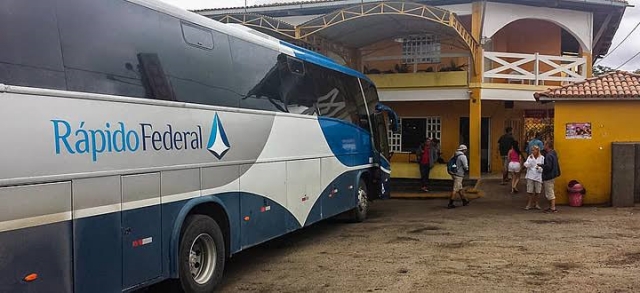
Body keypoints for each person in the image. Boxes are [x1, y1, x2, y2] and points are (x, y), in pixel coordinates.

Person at [542, 140, 561, 213]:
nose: (544, 146)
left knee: (549, 192)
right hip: (553, 175)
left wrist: (541, 167)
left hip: (549, 176)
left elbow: (548, 167)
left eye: (544, 144)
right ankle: (551, 207)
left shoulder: (548, 155)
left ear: (547, 146)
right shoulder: (554, 153)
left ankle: (553, 208)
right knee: (550, 190)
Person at [448, 145, 470, 209]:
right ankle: (450, 203)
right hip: (459, 174)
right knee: (455, 189)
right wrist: (466, 169)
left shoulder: (454, 154)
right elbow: (465, 166)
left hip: (453, 173)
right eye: (466, 150)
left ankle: (464, 200)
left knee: (460, 188)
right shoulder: (463, 156)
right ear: (464, 150)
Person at [523, 145, 544, 210]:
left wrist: (539, 168)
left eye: (533, 150)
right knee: (530, 191)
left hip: (538, 176)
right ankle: (529, 204)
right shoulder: (530, 157)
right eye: (532, 150)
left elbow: (543, 166)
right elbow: (526, 164)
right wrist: (529, 164)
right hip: (530, 175)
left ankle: (536, 203)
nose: (532, 151)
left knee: (537, 191)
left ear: (537, 150)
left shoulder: (542, 157)